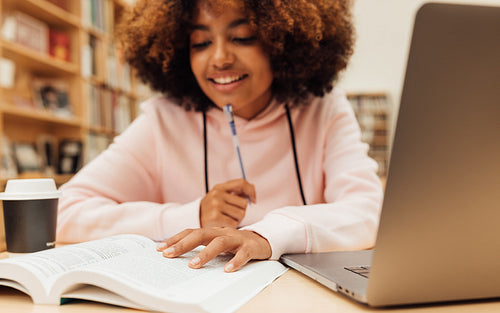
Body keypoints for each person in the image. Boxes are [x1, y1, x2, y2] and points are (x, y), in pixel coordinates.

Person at [56, 0, 383, 273]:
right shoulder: (163, 121)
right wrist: (192, 216)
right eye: (200, 43)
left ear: (282, 42)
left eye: (242, 37)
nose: (220, 58)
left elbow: (368, 210)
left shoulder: (323, 110)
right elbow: (64, 213)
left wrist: (268, 235)